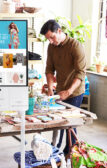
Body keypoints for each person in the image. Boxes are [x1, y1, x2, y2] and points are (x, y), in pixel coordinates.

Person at [40, 19, 86, 154]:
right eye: (48, 39)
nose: (51, 41)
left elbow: (81, 73)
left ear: (59, 31)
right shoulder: (51, 47)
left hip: (75, 91)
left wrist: (69, 91)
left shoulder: (75, 46)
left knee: (70, 123)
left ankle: (69, 152)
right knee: (59, 121)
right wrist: (49, 88)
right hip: (60, 90)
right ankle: (59, 150)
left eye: (52, 37)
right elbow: (49, 69)